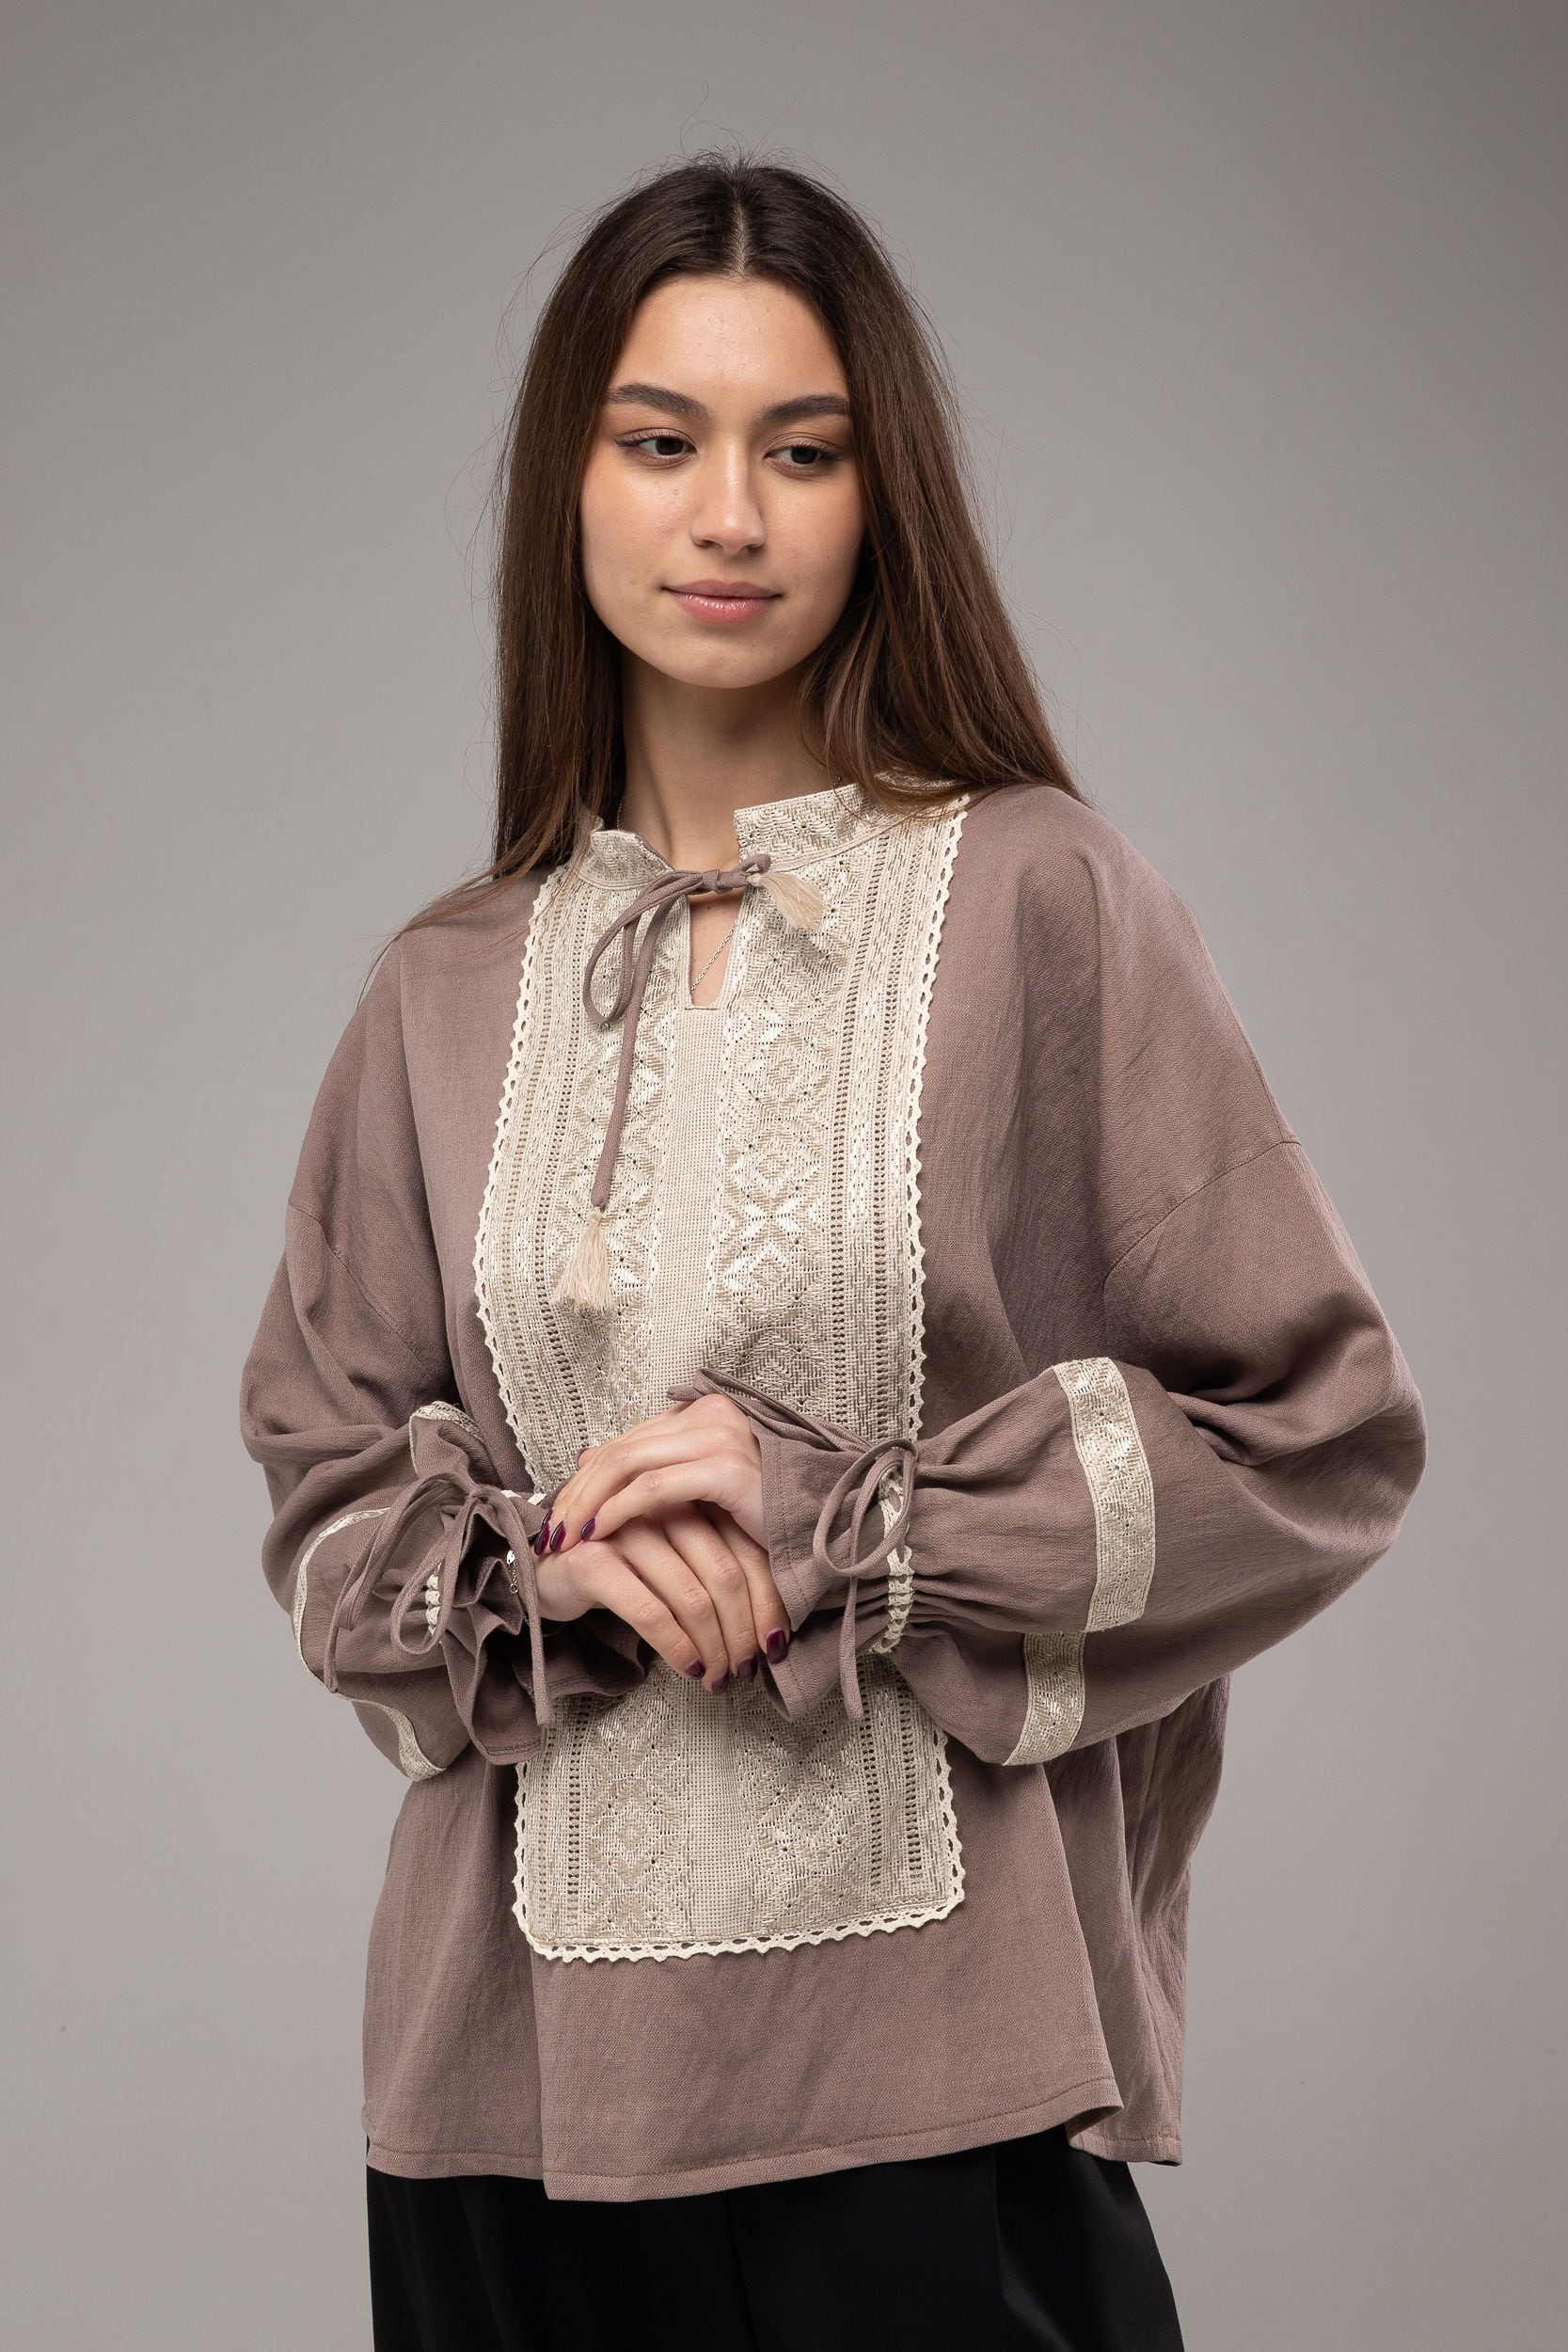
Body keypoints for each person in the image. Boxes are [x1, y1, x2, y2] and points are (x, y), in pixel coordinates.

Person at [238, 150, 1426, 2352]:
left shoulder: (1047, 900)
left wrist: (850, 1525)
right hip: (510, 2097)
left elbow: (1319, 1433)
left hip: (937, 2077)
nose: (731, 516)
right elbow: (325, 1496)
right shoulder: (441, 988)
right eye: (659, 441)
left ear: (884, 499)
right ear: (567, 484)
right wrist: (555, 1572)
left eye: (803, 449)